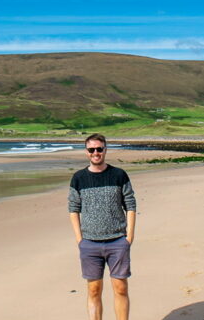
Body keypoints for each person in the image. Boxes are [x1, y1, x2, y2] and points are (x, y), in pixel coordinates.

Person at [69, 133, 136, 320]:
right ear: (87, 152)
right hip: (90, 243)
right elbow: (73, 209)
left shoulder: (119, 175)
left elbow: (130, 205)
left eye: (99, 149)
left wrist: (129, 236)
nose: (96, 153)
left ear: (105, 150)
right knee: (94, 290)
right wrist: (79, 239)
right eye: (92, 150)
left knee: (121, 288)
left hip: (117, 242)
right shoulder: (78, 178)